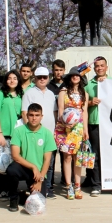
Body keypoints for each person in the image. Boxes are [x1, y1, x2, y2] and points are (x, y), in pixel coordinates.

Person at [5, 103, 56, 212]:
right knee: (11, 170)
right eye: (31, 115)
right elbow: (15, 155)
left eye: (37, 115)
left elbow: (47, 160)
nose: (34, 118)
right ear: (27, 115)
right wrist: (33, 167)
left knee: (38, 205)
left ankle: (22, 196)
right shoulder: (18, 131)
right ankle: (13, 199)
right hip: (23, 167)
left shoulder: (47, 134)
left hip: (38, 174)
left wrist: (40, 180)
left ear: (41, 116)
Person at [85, 57, 112, 196]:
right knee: (95, 156)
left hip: (111, 126)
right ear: (94, 68)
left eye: (102, 66)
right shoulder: (89, 85)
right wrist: (90, 102)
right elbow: (83, 103)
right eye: (97, 66)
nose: (99, 68)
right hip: (94, 125)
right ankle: (96, 185)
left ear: (107, 67)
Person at [55, 67, 90, 200]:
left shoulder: (84, 94)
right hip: (65, 129)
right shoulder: (63, 92)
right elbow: (60, 110)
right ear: (69, 78)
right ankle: (68, 186)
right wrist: (64, 123)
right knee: (67, 158)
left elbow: (84, 112)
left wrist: (85, 130)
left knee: (78, 159)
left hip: (79, 129)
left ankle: (77, 186)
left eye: (78, 75)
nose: (75, 77)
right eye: (73, 75)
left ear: (81, 78)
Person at [22, 67, 57, 195]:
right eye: (39, 77)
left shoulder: (51, 94)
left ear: (48, 78)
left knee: (49, 162)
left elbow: (54, 112)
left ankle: (47, 187)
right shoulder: (29, 93)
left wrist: (56, 130)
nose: (42, 79)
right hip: (34, 133)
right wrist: (29, 131)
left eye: (45, 77)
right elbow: (25, 113)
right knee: (34, 161)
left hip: (49, 133)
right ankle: (33, 186)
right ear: (34, 78)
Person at [0, 70, 24, 201]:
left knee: (14, 163)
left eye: (15, 78)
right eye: (9, 78)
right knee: (3, 162)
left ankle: (13, 189)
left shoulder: (21, 95)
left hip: (17, 134)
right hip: (3, 134)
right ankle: (3, 190)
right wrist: (0, 134)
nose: (12, 80)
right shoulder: (0, 95)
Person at [47, 59, 66, 187]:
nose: (58, 72)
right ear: (52, 71)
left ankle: (65, 179)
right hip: (51, 125)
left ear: (64, 70)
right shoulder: (48, 86)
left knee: (66, 154)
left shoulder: (68, 85)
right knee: (51, 154)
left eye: (60, 70)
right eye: (56, 70)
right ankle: (50, 181)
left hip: (66, 126)